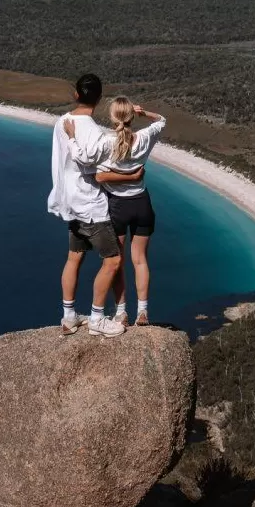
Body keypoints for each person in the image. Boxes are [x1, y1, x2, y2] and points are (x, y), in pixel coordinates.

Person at [47, 73, 127, 337]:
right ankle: (97, 318)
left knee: (74, 257)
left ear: (76, 95)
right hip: (90, 205)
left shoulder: (62, 122)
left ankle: (69, 317)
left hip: (69, 202)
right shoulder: (94, 131)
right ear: (99, 98)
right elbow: (89, 161)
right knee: (113, 260)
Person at [74, 96, 165, 326]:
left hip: (117, 207)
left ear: (112, 117)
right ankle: (142, 312)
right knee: (140, 260)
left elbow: (98, 174)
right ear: (132, 116)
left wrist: (73, 136)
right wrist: (143, 113)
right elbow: (162, 120)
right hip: (142, 204)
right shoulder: (144, 138)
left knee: (117, 262)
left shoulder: (106, 142)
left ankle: (121, 313)